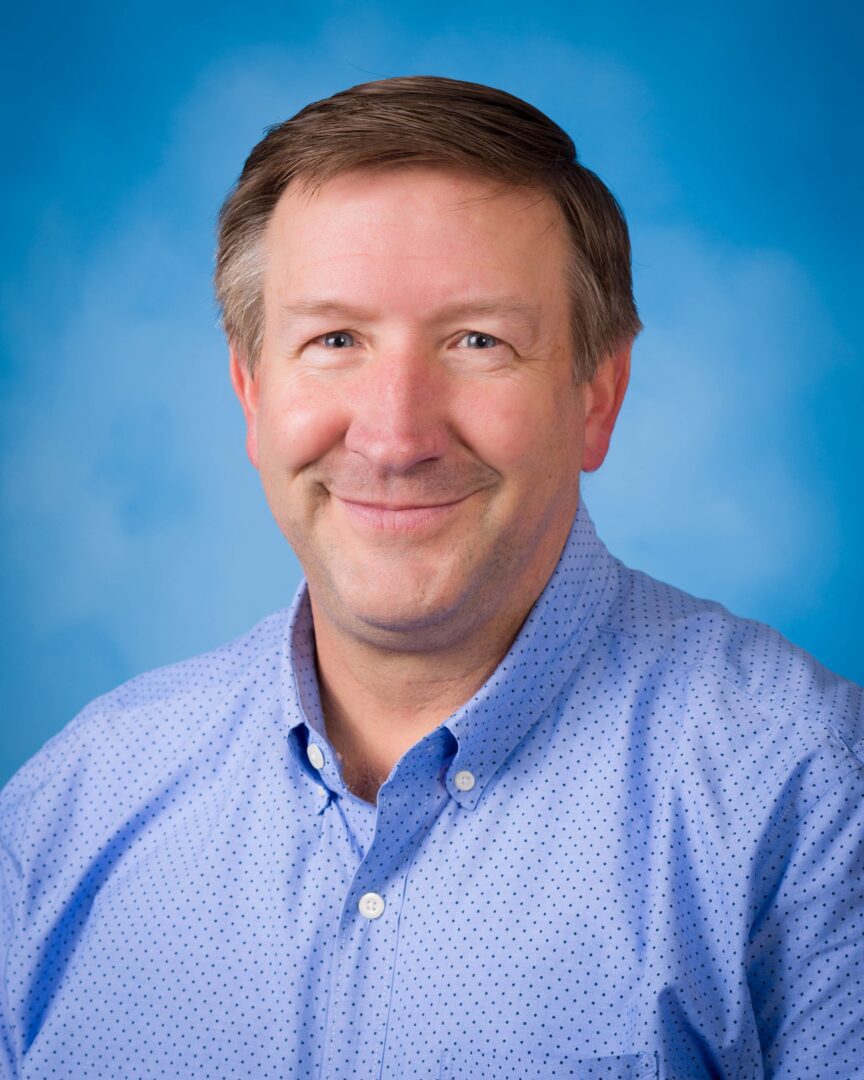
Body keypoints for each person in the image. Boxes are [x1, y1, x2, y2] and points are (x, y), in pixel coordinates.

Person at [1, 76, 861, 1080]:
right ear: (250, 387)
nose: (397, 436)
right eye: (334, 341)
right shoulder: (73, 810)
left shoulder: (807, 798)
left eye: (477, 342)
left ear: (598, 392)